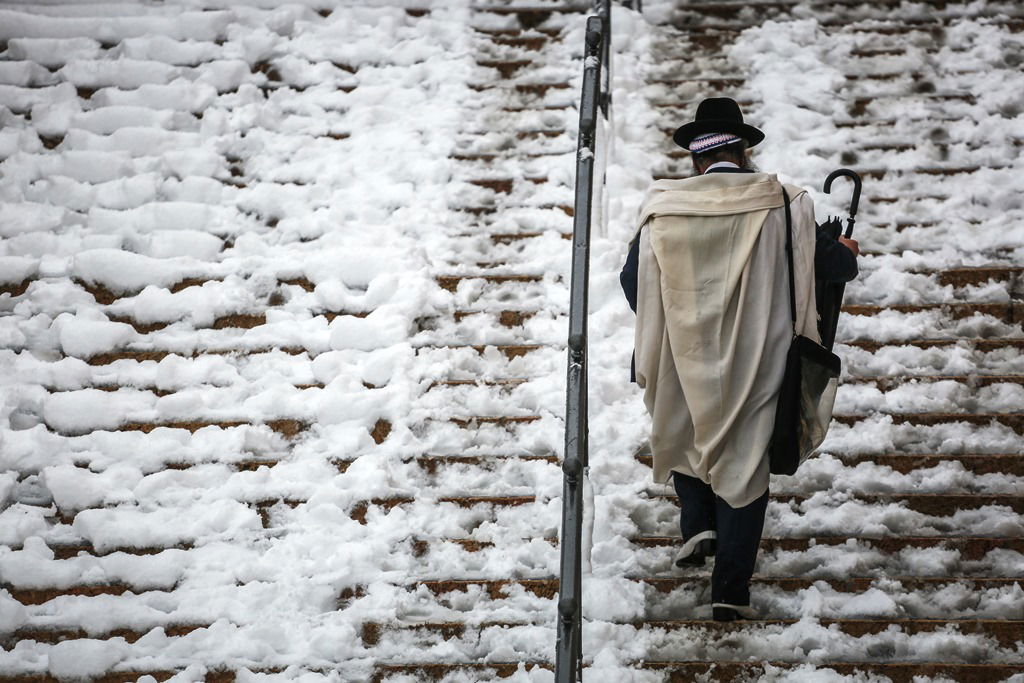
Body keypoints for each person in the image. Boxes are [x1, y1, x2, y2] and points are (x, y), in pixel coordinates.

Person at [619, 97, 859, 621]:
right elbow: (834, 269)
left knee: (684, 431)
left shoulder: (663, 206)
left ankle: (698, 522)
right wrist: (843, 248)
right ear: (743, 150)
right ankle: (730, 590)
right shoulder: (784, 201)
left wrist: (680, 317)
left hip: (679, 352)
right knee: (747, 461)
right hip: (760, 356)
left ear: (696, 159)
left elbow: (632, 282)